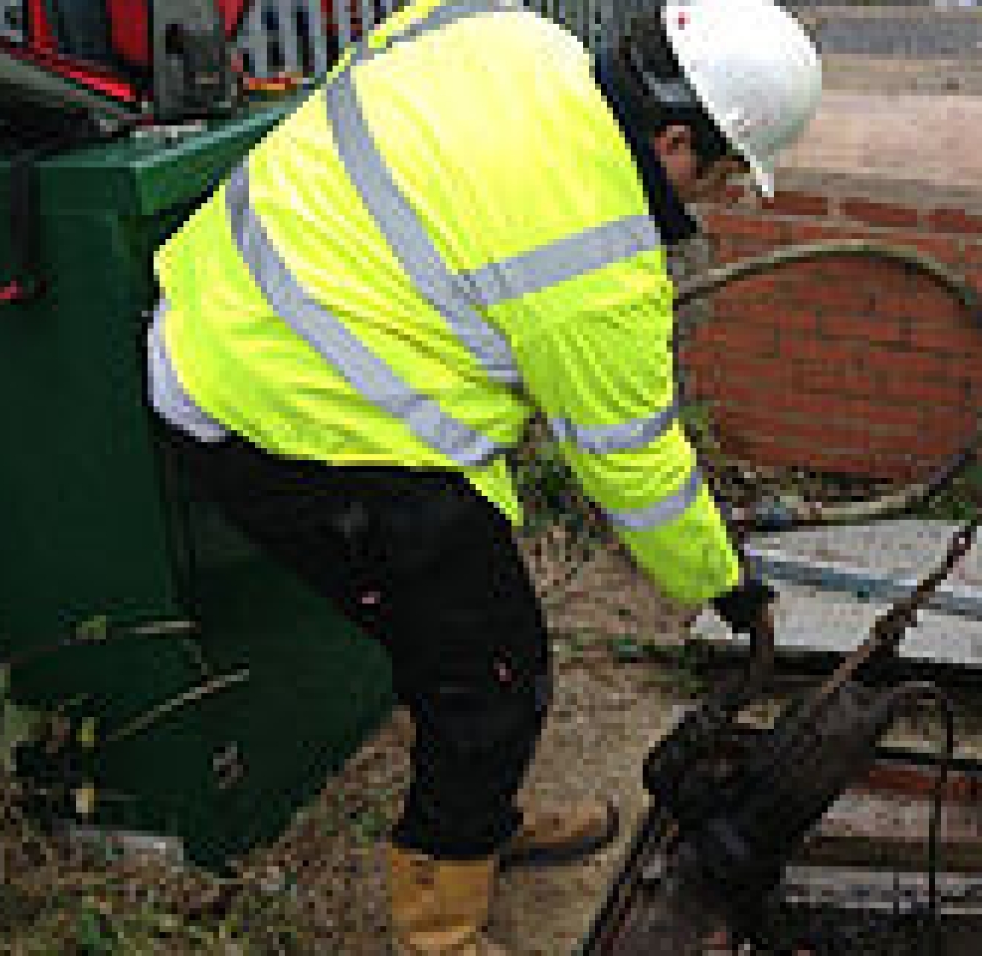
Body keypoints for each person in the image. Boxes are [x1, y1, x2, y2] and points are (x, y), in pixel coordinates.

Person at [144, 0, 819, 951]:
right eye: (722, 174)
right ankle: (438, 925)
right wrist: (724, 583)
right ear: (674, 140)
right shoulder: (600, 260)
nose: (717, 196)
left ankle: (475, 822)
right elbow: (636, 469)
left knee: (461, 641)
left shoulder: (508, 35)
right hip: (290, 423)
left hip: (216, 321)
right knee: (492, 679)